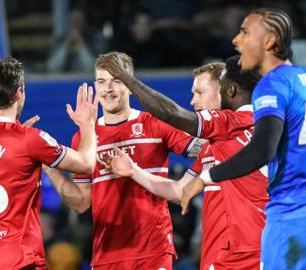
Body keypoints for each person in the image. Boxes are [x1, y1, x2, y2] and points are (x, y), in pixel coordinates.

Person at [179, 8, 306, 269]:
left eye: (244, 32)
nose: (236, 40)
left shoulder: (271, 85)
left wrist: (205, 178)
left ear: (269, 41)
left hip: (294, 216)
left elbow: (261, 150)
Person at [103, 56, 269, 269]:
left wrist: (125, 79)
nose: (193, 101)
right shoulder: (218, 144)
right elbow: (180, 191)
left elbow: (172, 114)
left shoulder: (232, 124)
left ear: (226, 91)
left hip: (241, 253)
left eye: (199, 93)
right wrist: (134, 171)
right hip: (228, 252)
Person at [44, 51, 204, 270]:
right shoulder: (85, 136)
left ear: (130, 86)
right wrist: (50, 167)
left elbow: (206, 150)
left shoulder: (155, 123)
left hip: (153, 250)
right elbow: (81, 203)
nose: (107, 89)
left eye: (116, 81)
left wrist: (184, 185)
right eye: (101, 81)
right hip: (107, 254)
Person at [0, 57, 98, 269]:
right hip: (17, 261)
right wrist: (87, 124)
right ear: (19, 92)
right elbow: (86, 163)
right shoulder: (29, 139)